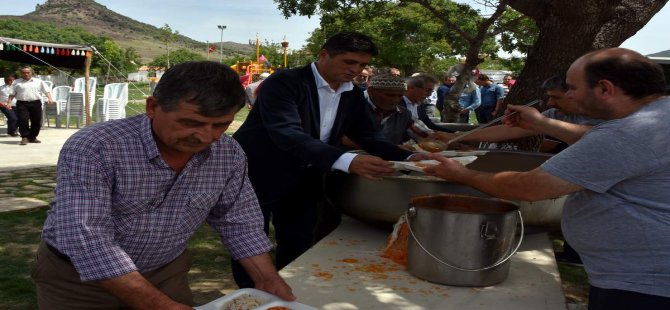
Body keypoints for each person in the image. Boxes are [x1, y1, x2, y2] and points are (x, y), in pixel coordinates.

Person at [32, 61, 295, 309]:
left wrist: (267, 279)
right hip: (77, 280)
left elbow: (239, 221)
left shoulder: (228, 153)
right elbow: (87, 237)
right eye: (191, 123)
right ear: (152, 107)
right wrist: (159, 305)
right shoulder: (96, 146)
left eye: (221, 125)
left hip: (165, 271)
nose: (206, 137)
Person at [423, 48, 670, 309]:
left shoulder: (628, 133)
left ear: (605, 89)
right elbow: (595, 140)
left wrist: (461, 174)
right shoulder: (656, 118)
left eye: (573, 88)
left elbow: (531, 187)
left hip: (643, 287)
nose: (568, 95)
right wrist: (542, 124)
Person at [232, 32, 424, 288]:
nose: (355, 70)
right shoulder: (286, 82)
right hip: (259, 172)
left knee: (299, 240)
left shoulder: (352, 94)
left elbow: (367, 134)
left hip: (306, 178)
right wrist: (347, 160)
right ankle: (250, 297)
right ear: (323, 54)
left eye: (362, 65)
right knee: (251, 242)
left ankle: (289, 294)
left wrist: (411, 157)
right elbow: (286, 132)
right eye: (348, 62)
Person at [431, 74, 603, 149]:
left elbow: (597, 136)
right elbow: (505, 131)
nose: (550, 104)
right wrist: (456, 137)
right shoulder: (557, 115)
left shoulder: (612, 120)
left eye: (556, 98)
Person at [343, 74, 431, 148]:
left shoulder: (403, 114)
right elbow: (346, 140)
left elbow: (423, 133)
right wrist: (391, 147)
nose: (395, 100)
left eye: (400, 96)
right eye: (390, 95)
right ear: (371, 91)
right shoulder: (353, 108)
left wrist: (437, 137)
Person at [8, 66, 52, 145]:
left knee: (36, 121)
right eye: (24, 73)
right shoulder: (16, 82)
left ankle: (32, 137)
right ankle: (24, 137)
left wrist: (49, 98)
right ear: (21, 73)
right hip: (22, 104)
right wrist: (9, 103)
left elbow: (46, 90)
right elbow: (12, 94)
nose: (26, 74)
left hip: (36, 103)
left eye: (28, 72)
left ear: (31, 73)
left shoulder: (38, 81)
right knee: (23, 120)